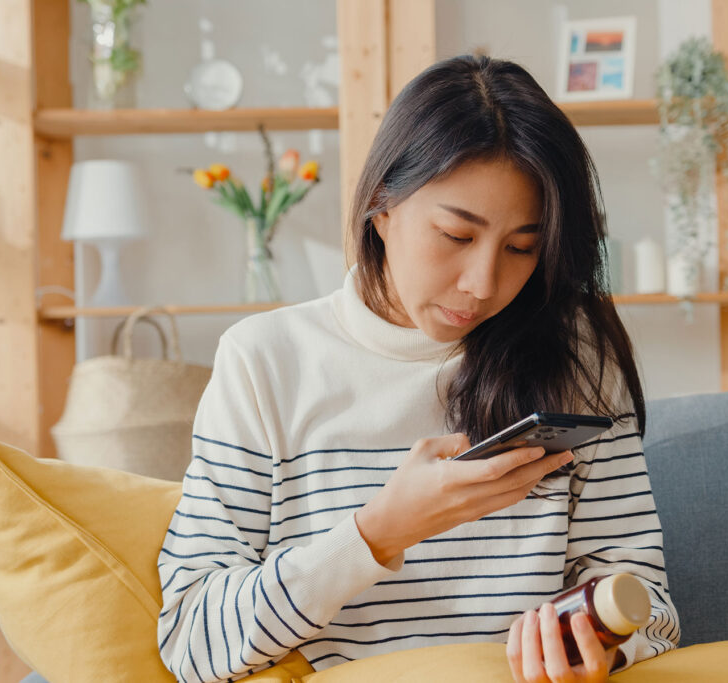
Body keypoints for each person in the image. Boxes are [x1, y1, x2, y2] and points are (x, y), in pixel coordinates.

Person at [157, 54, 679, 683]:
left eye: (522, 248)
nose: (484, 283)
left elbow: (653, 613)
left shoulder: (577, 361)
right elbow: (193, 643)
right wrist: (379, 532)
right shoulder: (265, 362)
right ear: (382, 205)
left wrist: (604, 644)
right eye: (457, 236)